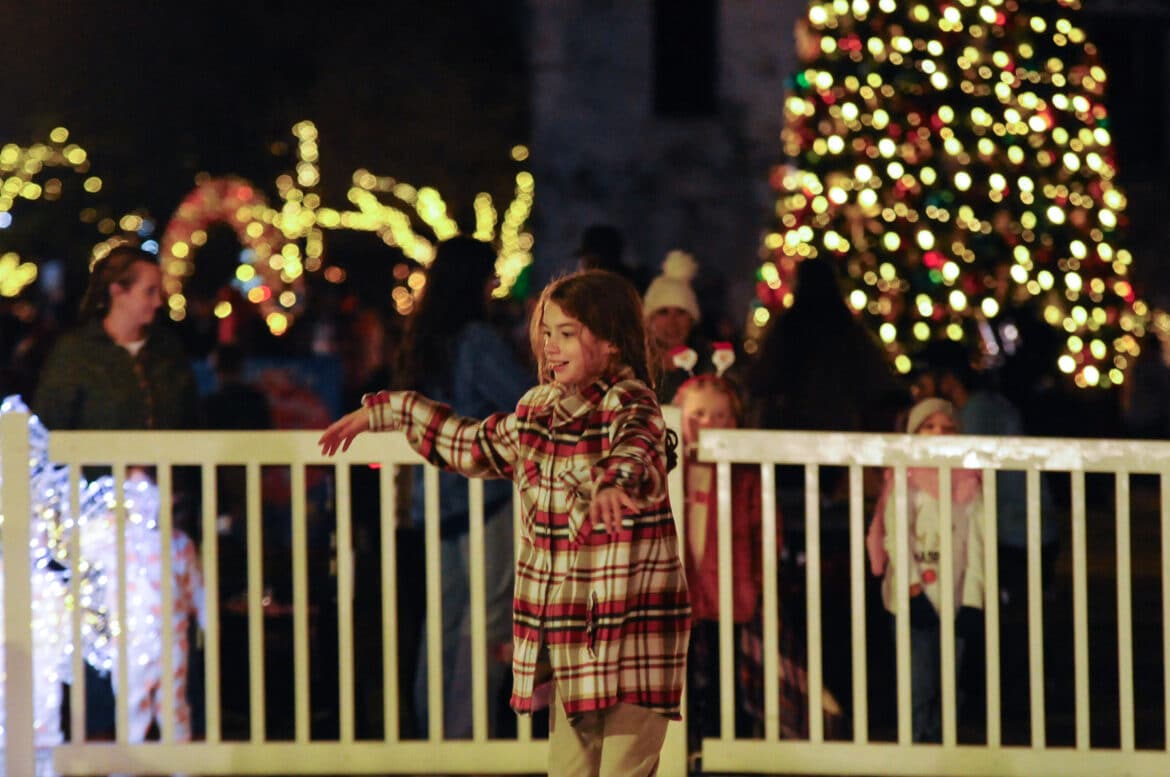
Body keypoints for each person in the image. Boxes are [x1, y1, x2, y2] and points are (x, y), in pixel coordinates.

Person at [319, 269, 691, 777]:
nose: (551, 346)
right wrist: (391, 411)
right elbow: (471, 443)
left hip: (633, 633)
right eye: (547, 332)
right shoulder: (539, 413)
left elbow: (636, 445)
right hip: (573, 640)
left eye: (567, 333)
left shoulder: (627, 401)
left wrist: (612, 482)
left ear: (609, 341)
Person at [32, 244, 201, 740]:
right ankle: (106, 738)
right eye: (148, 291)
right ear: (117, 292)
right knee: (108, 630)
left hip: (163, 518)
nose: (157, 302)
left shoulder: (167, 354)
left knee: (166, 628)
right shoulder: (77, 354)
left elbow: (190, 423)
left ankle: (165, 736)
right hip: (97, 524)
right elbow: (48, 434)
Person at [396, 236, 532, 739]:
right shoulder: (477, 339)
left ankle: (433, 730)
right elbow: (522, 401)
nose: (495, 284)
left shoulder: (424, 338)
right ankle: (466, 734)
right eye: (491, 275)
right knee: (489, 614)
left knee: (444, 615)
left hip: (434, 496)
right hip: (480, 492)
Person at [867, 397, 985, 743]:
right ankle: (917, 742)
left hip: (956, 596)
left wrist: (973, 599)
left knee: (950, 680)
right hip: (913, 599)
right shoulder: (905, 480)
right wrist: (912, 588)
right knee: (917, 680)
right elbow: (896, 537)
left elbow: (978, 543)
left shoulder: (969, 483)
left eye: (948, 429)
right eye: (929, 427)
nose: (939, 435)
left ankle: (944, 744)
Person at [674, 373, 768, 761]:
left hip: (730, 591)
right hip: (681, 593)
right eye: (697, 415)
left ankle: (727, 749)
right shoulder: (670, 470)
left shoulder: (743, 474)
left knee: (726, 673)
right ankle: (685, 746)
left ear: (736, 422)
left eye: (721, 416)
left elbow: (764, 529)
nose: (709, 424)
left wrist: (760, 580)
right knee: (680, 674)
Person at [644, 249, 719, 405]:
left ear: (692, 319)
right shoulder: (636, 366)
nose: (672, 322)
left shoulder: (712, 364)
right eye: (663, 312)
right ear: (649, 320)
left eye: (681, 312)